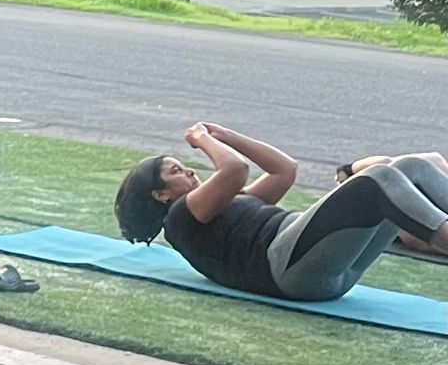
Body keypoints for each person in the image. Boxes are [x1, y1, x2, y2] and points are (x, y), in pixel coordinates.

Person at [115, 123, 448, 300]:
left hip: (324, 270)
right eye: (176, 171)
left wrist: (226, 135)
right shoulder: (180, 219)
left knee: (411, 166)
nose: (188, 170)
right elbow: (234, 169)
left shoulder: (233, 202)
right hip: (292, 273)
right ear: (160, 195)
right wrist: (201, 139)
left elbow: (284, 170)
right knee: (377, 178)